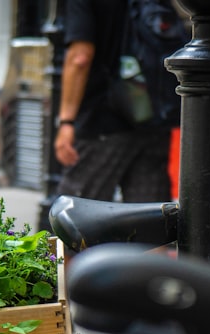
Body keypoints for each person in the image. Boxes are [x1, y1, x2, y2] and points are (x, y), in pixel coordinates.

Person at [52, 0, 175, 208]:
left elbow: (80, 57)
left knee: (77, 216)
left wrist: (66, 121)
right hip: (153, 116)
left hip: (103, 120)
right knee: (149, 222)